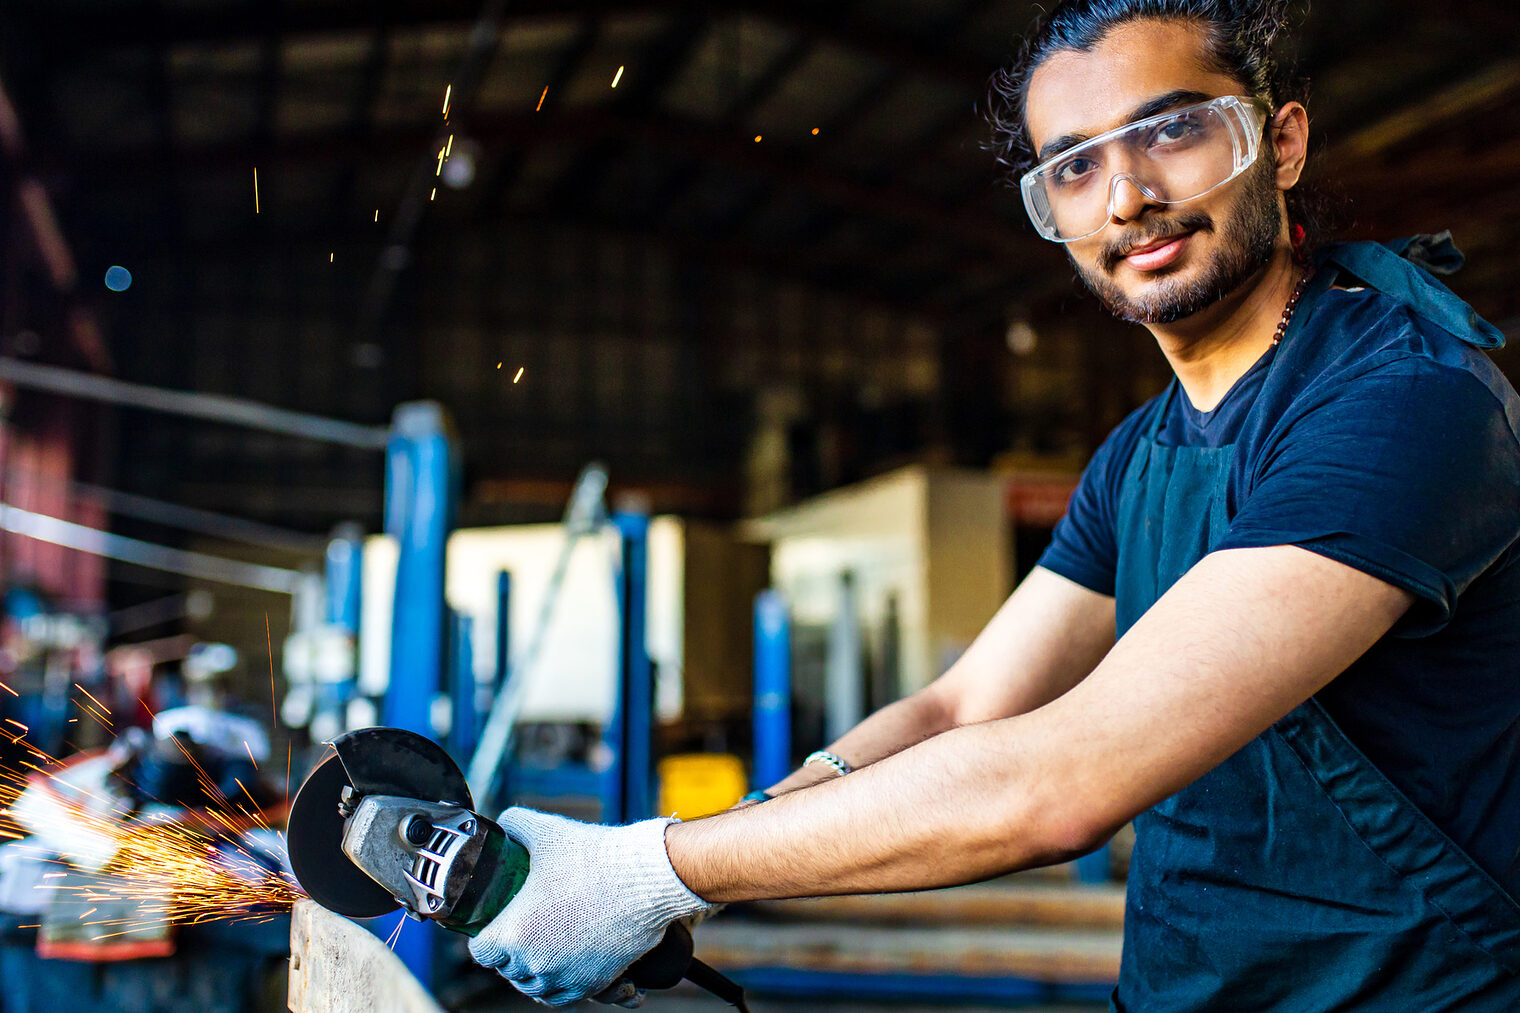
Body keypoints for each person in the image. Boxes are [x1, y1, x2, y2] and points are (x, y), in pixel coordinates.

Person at [468, 1, 1520, 1008]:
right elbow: (959, 707)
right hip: (1181, 985)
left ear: (1279, 144)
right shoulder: (1136, 455)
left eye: (1172, 132)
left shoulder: (1401, 403)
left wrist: (651, 868)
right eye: (1073, 167)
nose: (1125, 198)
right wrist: (725, 840)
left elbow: (1065, 778)